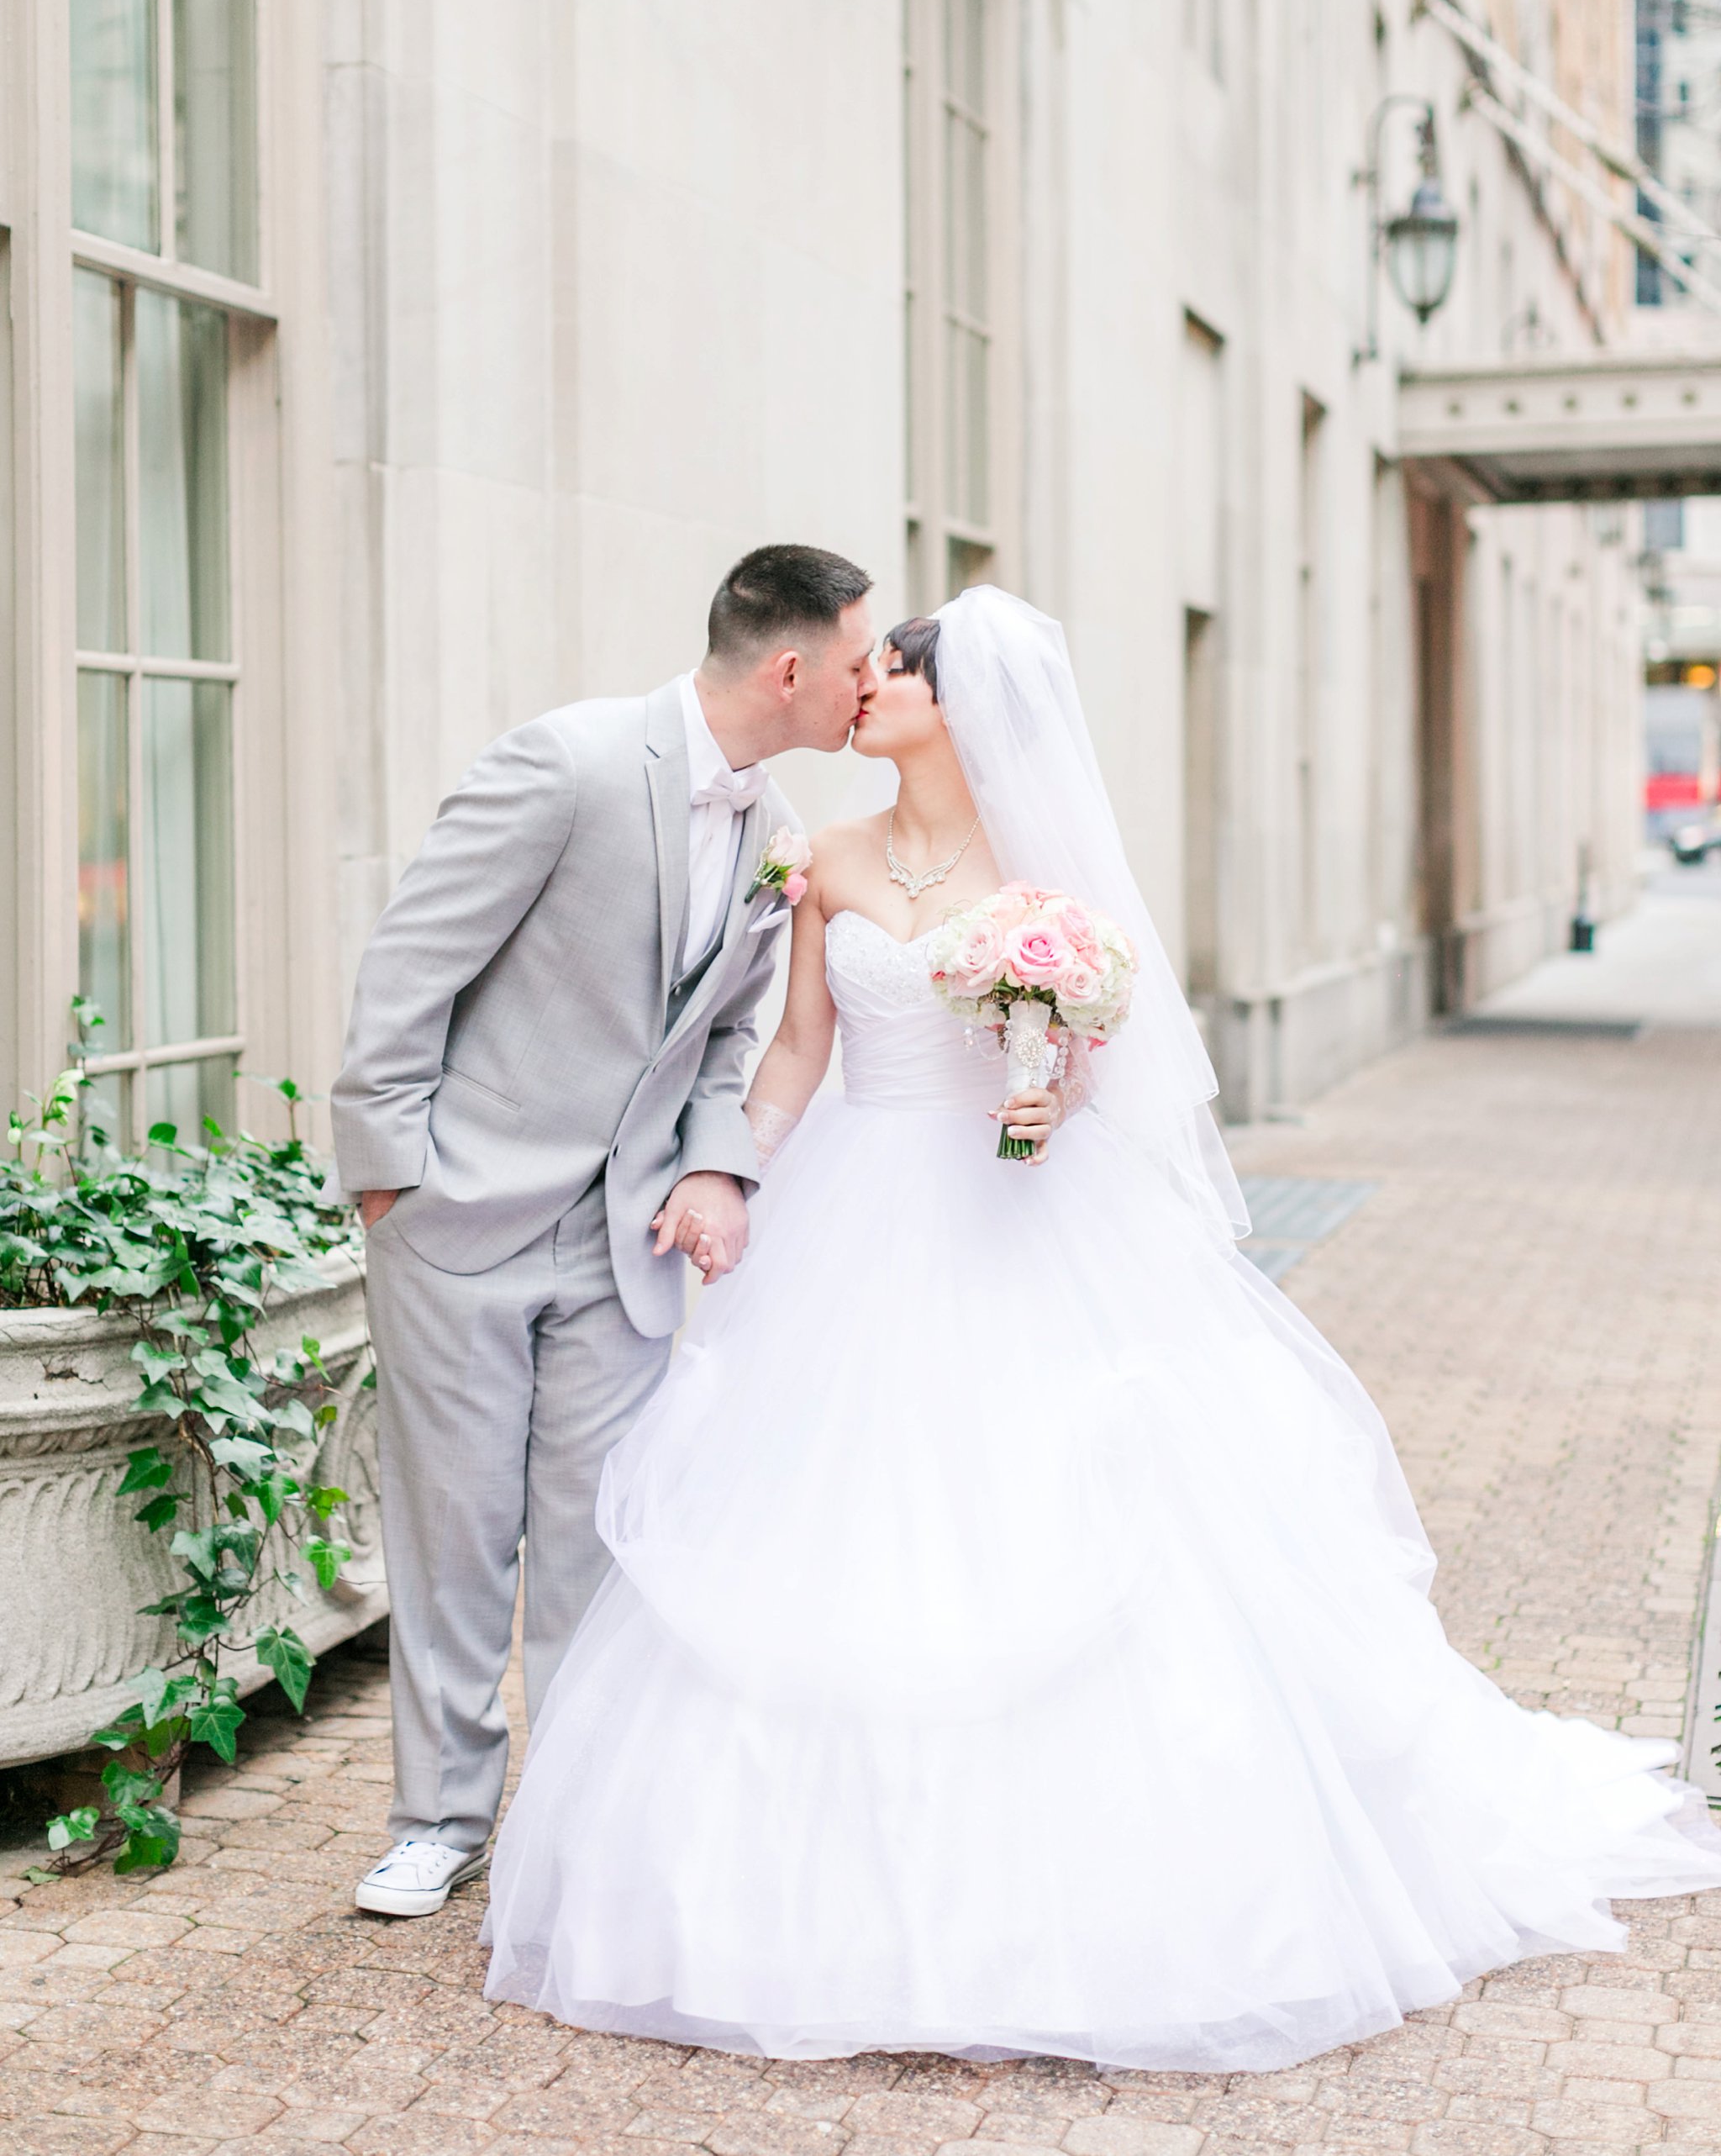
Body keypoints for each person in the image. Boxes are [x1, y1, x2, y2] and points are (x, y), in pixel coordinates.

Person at [481, 583, 1721, 2071]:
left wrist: (1045, 1089)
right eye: (863, 667)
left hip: (1020, 1227)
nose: (862, 688)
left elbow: (1084, 1060)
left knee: (1088, 1528)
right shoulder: (827, 860)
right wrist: (718, 1166)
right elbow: (801, 1044)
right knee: (837, 1531)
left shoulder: (1051, 888)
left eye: (891, 672)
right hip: (855, 1218)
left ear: (958, 706)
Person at [331, 543, 876, 1917]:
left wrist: (717, 1171)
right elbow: (412, 962)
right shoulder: (565, 764)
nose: (874, 685)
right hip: (461, 1211)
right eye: (861, 661)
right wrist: (389, 1171)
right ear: (792, 667)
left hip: (627, 1239)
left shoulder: (773, 835)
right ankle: (437, 1818)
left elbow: (727, 1034)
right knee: (457, 1535)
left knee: (595, 1538)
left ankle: (570, 1824)